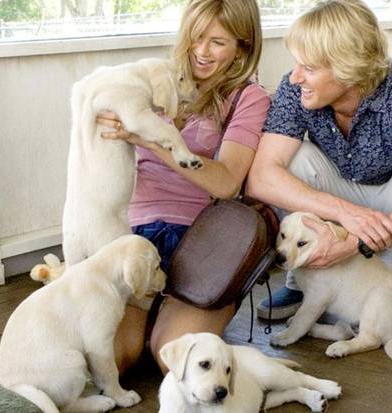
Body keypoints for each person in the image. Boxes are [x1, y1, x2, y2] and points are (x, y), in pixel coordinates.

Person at [245, 0, 392, 333]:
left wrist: (355, 242)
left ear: (349, 69)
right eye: (297, 63)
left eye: (310, 67)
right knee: (292, 159)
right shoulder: (294, 87)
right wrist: (346, 213)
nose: (295, 75)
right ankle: (301, 275)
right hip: (339, 191)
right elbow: (261, 177)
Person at [96, 0, 270, 372]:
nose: (201, 51)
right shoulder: (155, 78)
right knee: (111, 360)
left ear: (243, 45)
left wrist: (152, 139)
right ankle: (152, 316)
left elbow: (225, 182)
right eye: (196, 37)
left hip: (198, 244)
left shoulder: (248, 98)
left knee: (175, 361)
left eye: (218, 42)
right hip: (134, 235)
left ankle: (169, 318)